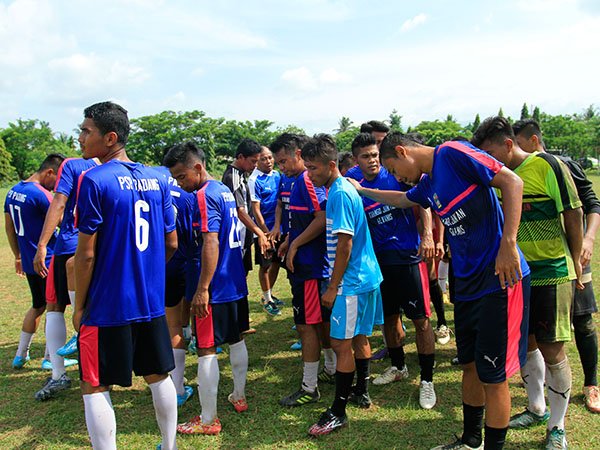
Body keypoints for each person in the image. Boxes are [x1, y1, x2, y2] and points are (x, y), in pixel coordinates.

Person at [348, 132, 530, 450]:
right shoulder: (429, 183)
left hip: (500, 278)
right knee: (470, 365)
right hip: (468, 285)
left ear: (403, 151)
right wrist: (362, 190)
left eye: (392, 168)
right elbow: (403, 200)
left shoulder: (452, 154)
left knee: (493, 374)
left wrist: (509, 243)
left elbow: (512, 182)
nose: (395, 177)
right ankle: (471, 440)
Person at [473, 116, 583, 450]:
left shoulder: (548, 165)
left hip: (551, 270)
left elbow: (573, 212)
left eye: (492, 153)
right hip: (516, 274)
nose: (490, 161)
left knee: (552, 347)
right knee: (527, 342)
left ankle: (557, 426)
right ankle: (536, 406)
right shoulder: (496, 177)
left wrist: (576, 259)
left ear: (509, 144)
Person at [74, 101, 178, 450]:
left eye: (87, 131)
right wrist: (145, 273)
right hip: (149, 302)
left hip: (107, 304)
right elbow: (171, 241)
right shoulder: (158, 178)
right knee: (158, 374)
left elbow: (86, 254)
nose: (81, 137)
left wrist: (78, 306)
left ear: (110, 137)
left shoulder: (93, 180)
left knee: (94, 383)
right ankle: (169, 444)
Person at [513, 118, 600, 414]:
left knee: (583, 321)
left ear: (533, 141)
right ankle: (538, 403)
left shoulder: (561, 165)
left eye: (520, 145)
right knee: (538, 333)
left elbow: (590, 204)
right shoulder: (515, 171)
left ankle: (591, 383)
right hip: (538, 263)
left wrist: (587, 240)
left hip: (571, 255)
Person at [345, 133, 437, 409]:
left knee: (420, 320)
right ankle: (399, 366)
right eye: (366, 156)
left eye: (375, 155)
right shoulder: (352, 181)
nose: (372, 161)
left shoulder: (396, 173)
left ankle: (427, 381)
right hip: (378, 263)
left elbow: (422, 201)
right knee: (389, 319)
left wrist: (429, 235)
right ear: (356, 160)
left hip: (408, 259)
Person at [164, 141, 250, 436]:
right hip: (234, 282)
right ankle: (238, 396)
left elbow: (210, 241)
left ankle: (208, 418)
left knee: (206, 350)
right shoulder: (223, 191)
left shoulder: (203, 195)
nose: (179, 183)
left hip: (214, 286)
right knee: (236, 339)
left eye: (181, 176)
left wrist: (202, 289)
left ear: (197, 168)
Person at [302, 134, 383, 436]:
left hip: (351, 282)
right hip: (364, 277)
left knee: (340, 344)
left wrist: (333, 286)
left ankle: (338, 412)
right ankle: (360, 390)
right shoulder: (343, 188)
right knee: (359, 337)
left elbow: (345, 243)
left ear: (331, 165)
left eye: (312, 169)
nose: (309, 175)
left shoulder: (339, 194)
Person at [271, 133, 336, 406]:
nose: (280, 167)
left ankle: (310, 387)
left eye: (283, 160)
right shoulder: (293, 181)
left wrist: (296, 244)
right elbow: (299, 219)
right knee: (314, 322)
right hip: (303, 265)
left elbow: (321, 218)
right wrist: (288, 240)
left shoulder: (308, 180)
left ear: (299, 154)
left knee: (306, 325)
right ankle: (331, 368)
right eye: (277, 163)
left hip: (311, 267)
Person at [32, 156, 98, 383]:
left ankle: (58, 373)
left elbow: (59, 202)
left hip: (70, 243)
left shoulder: (72, 164)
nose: (81, 138)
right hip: (100, 244)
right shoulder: (114, 167)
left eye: (86, 132)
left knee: (54, 306)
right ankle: (93, 371)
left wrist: (42, 244)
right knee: (93, 305)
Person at [5, 154, 64, 371]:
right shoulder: (43, 195)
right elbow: (61, 220)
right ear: (49, 173)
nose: (57, 184)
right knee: (53, 308)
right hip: (46, 259)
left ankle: (21, 354)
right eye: (57, 179)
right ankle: (50, 357)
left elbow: (9, 226)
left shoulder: (13, 191)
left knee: (37, 305)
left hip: (29, 261)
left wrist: (18, 255)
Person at [153, 162, 198, 407]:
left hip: (158, 264)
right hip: (182, 262)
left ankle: (173, 383)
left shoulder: (150, 188)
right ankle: (177, 386)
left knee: (169, 323)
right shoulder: (187, 195)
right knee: (178, 323)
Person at [222, 138, 270, 277]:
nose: (255, 165)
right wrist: (259, 232)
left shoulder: (242, 175)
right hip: (237, 237)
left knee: (243, 274)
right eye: (253, 161)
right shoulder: (233, 177)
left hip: (244, 237)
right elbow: (239, 210)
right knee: (237, 275)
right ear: (241, 157)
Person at [248, 146, 283, 314]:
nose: (268, 161)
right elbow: (255, 209)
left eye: (270, 157)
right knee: (266, 265)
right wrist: (265, 232)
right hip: (263, 231)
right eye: (264, 159)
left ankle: (268, 295)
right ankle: (267, 299)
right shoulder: (254, 180)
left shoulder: (277, 176)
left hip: (279, 228)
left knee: (277, 262)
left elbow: (280, 203)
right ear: (257, 162)